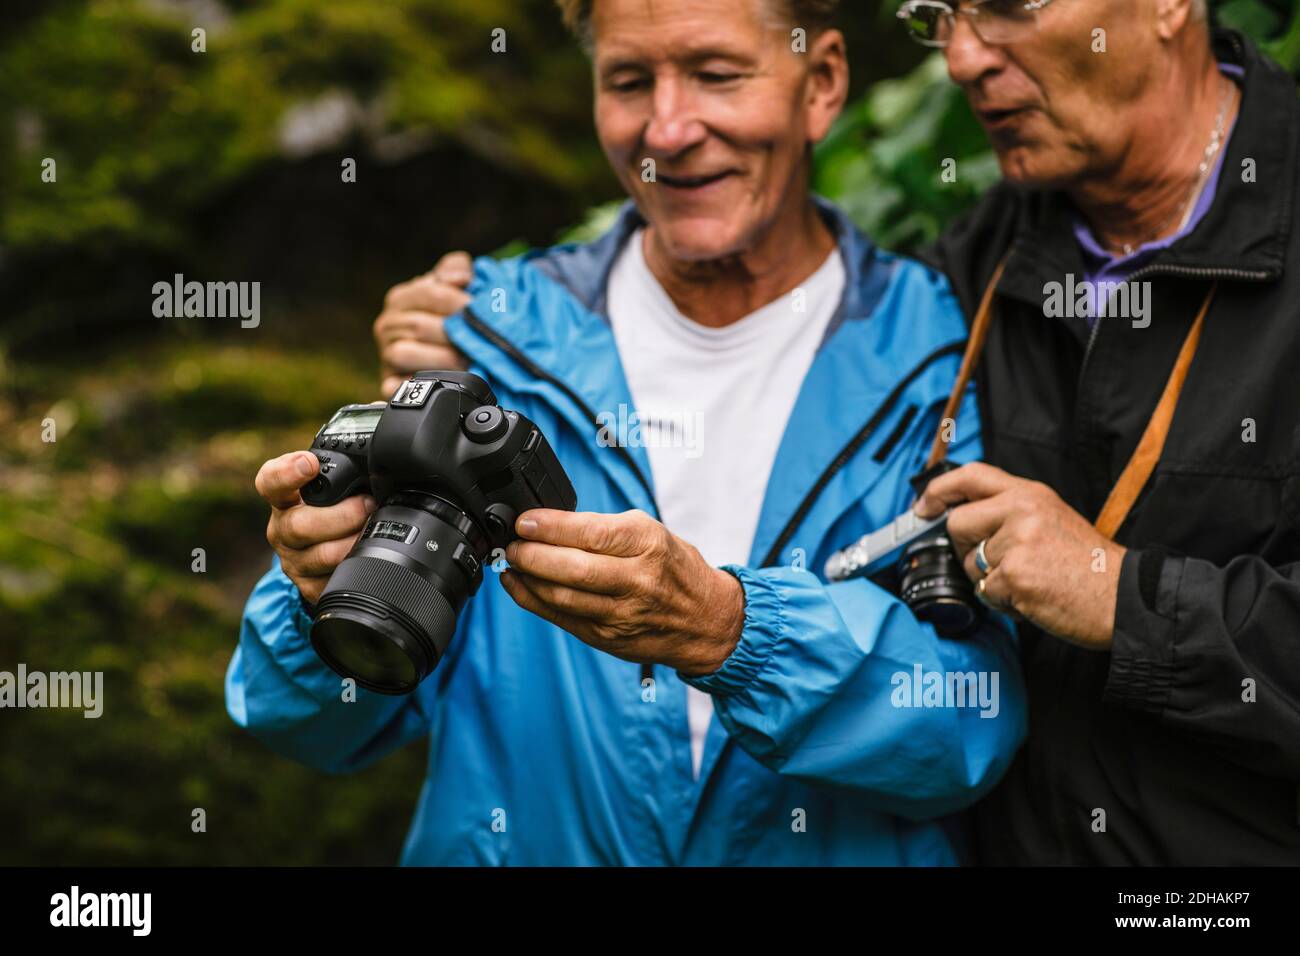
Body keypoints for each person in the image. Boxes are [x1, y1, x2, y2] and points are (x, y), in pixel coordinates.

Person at [228, 0, 1026, 865]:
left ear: (822, 82)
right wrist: (313, 590)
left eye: (718, 74)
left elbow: (971, 731)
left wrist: (731, 633)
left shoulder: (942, 357)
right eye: (629, 80)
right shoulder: (488, 340)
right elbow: (307, 731)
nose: (670, 129)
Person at [902, 0, 1300, 863]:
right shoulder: (972, 265)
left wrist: (1123, 598)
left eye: (1006, 7)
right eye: (936, 15)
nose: (963, 58)